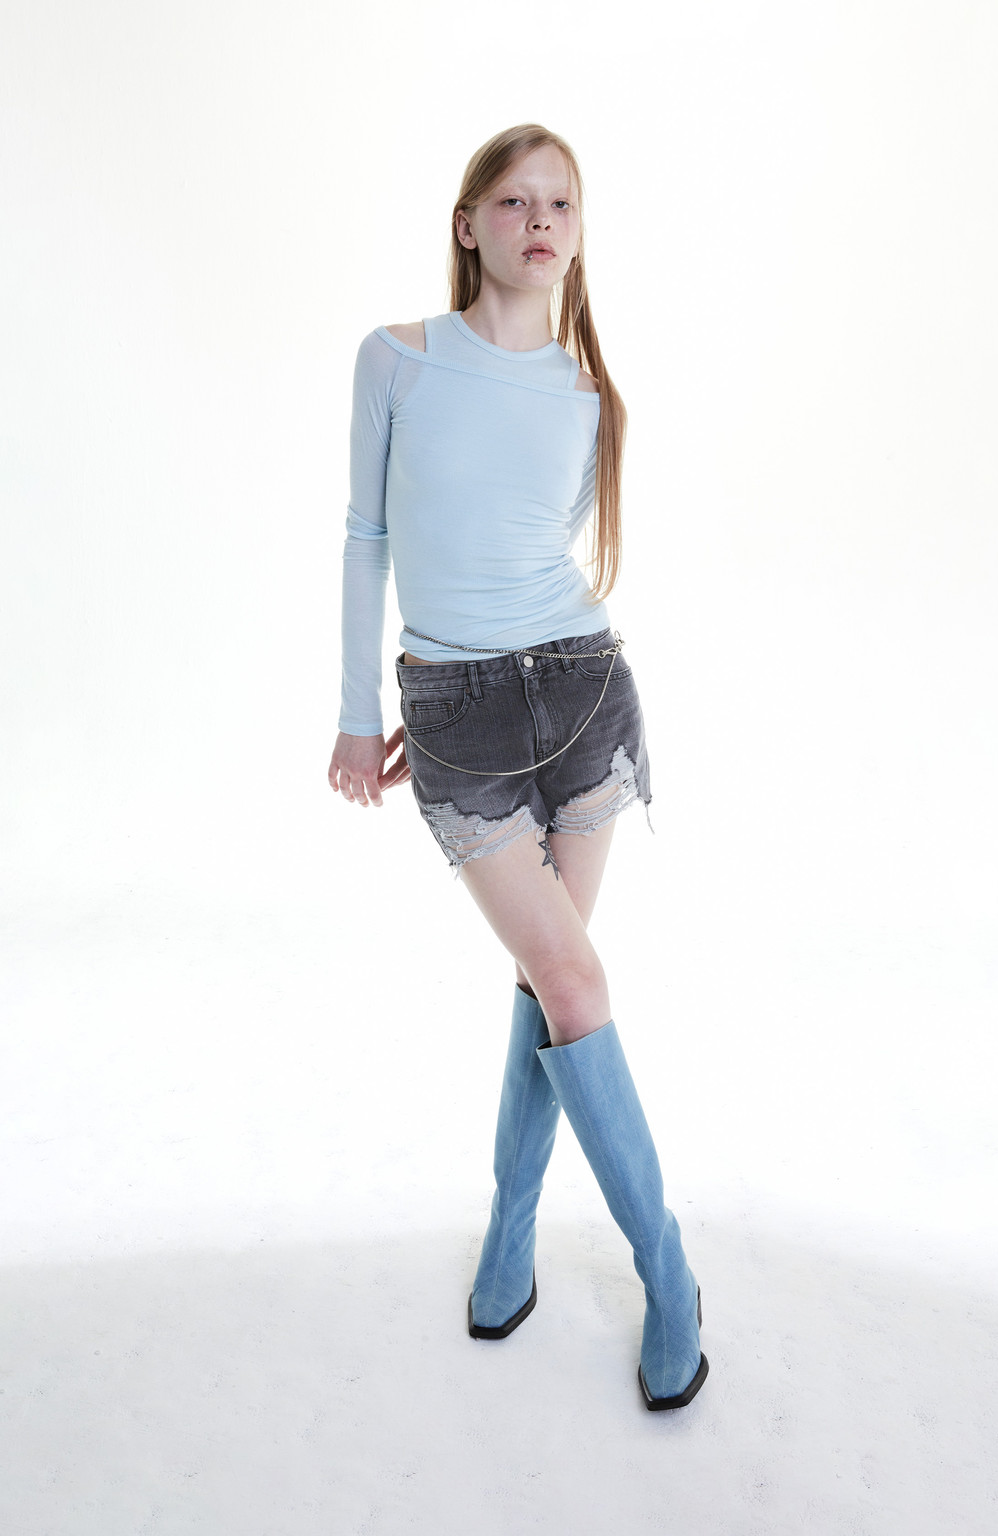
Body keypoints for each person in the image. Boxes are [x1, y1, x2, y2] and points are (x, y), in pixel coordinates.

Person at [326, 124, 708, 1411]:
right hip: (455, 716)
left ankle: (536, 1243)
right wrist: (355, 712)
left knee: (555, 980)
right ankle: (665, 1272)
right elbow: (367, 536)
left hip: (584, 689)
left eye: (559, 204)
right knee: (566, 977)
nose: (538, 220)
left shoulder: (589, 400)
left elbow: (538, 547)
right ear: (468, 224)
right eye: (512, 200)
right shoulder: (396, 359)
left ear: (577, 237)